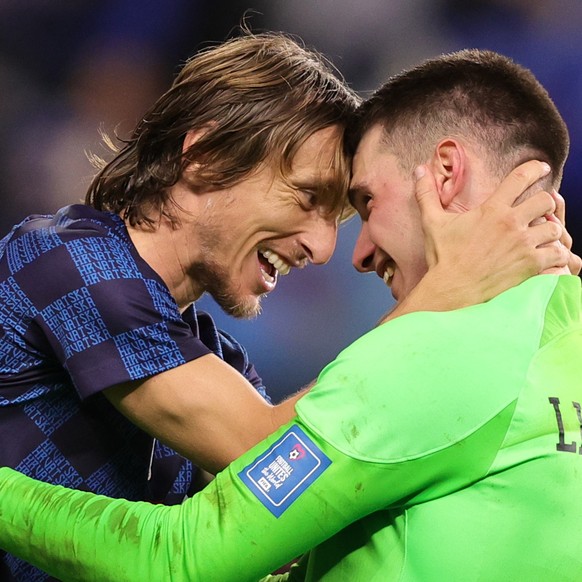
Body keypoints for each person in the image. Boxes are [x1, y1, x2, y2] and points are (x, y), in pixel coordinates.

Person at [0, 49, 579, 581]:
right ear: (206, 157)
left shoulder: (219, 363)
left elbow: (273, 528)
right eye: (308, 198)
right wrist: (437, 301)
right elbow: (253, 453)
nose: (326, 249)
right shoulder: (64, 257)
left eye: (344, 214)